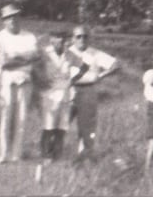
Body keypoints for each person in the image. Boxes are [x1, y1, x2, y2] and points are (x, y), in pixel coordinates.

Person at [0, 4, 39, 162]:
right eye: (9, 17)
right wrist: (24, 57)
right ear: (3, 20)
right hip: (4, 81)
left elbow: (36, 56)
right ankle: (1, 154)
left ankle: (16, 154)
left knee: (21, 118)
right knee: (4, 117)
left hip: (25, 80)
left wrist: (15, 57)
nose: (13, 20)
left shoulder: (29, 37)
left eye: (15, 16)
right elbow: (3, 63)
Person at [64, 25, 119, 157]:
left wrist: (100, 76)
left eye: (85, 36)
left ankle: (84, 156)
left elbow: (116, 64)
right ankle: (55, 154)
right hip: (69, 90)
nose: (82, 39)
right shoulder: (66, 53)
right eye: (78, 36)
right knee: (62, 123)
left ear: (89, 38)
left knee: (87, 126)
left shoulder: (95, 53)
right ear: (73, 38)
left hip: (89, 90)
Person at [37, 30, 75, 160]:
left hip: (65, 95)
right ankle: (45, 156)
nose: (63, 41)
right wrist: (41, 79)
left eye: (65, 39)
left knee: (62, 128)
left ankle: (58, 156)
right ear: (51, 39)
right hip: (49, 94)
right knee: (48, 127)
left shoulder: (70, 55)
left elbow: (84, 66)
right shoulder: (44, 52)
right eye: (59, 38)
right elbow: (33, 66)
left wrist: (74, 80)